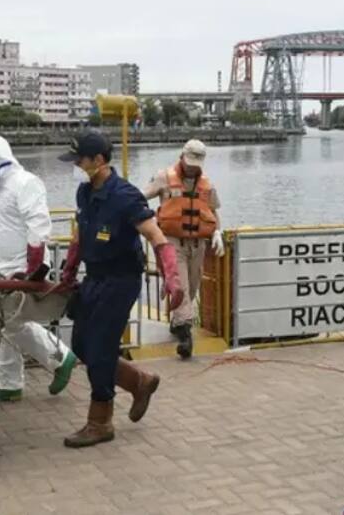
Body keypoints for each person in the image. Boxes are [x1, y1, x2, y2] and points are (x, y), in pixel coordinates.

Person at [55, 131, 184, 448]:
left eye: (79, 160)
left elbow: (156, 236)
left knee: (100, 349)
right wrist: (68, 271)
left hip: (121, 281)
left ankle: (100, 422)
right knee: (82, 345)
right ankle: (138, 382)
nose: (76, 166)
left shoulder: (125, 196)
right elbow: (80, 235)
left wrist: (171, 277)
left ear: (98, 160)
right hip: (94, 278)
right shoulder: (85, 192)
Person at [0, 135, 77, 402]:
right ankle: (10, 384)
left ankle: (59, 358)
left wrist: (33, 269)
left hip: (23, 267)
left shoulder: (25, 182)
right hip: (3, 265)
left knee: (9, 323)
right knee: (1, 325)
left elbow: (38, 227)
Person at [142, 139, 224, 358]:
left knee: (193, 286)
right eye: (189, 163)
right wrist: (146, 221)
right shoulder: (163, 177)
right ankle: (186, 336)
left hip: (198, 245)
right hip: (172, 242)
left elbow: (213, 211)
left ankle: (178, 322)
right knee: (181, 286)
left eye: (196, 164)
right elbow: (140, 197)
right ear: (182, 157)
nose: (192, 168)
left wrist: (217, 232)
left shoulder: (207, 184)